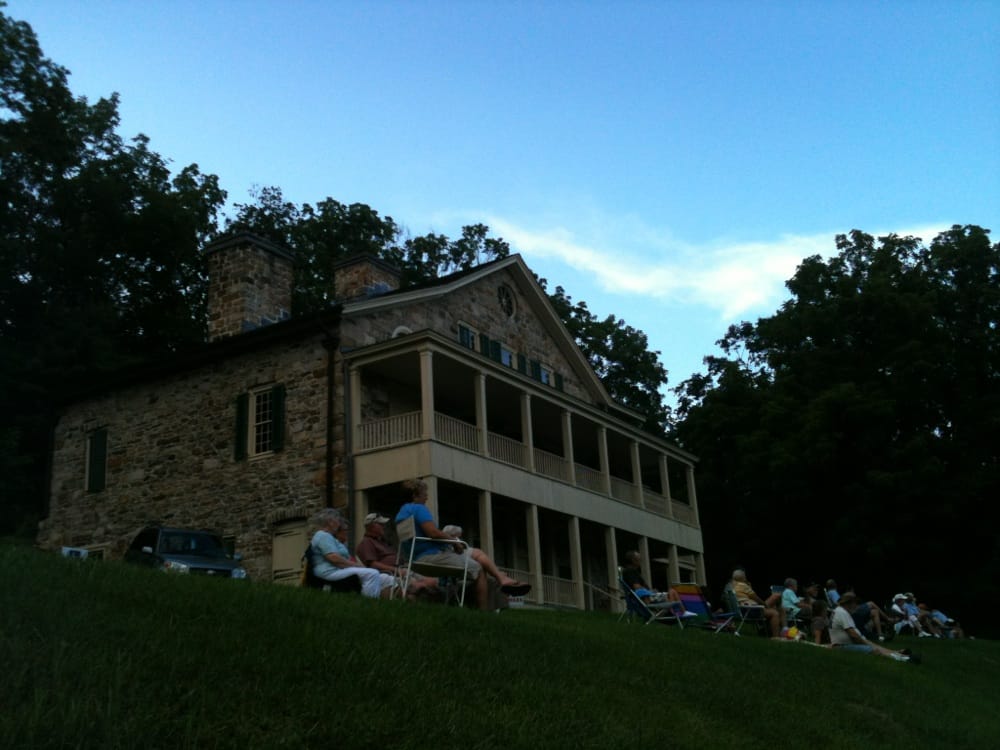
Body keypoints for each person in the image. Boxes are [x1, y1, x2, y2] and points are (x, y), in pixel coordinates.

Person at [395, 478, 531, 610]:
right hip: (430, 557)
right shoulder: (418, 508)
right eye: (424, 493)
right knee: (478, 569)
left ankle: (502, 578)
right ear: (415, 495)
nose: (427, 496)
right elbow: (433, 533)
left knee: (477, 553)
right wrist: (454, 542)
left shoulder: (402, 513)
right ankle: (484, 614)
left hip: (418, 558)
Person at [309, 508, 396, 599]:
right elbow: (333, 557)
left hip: (336, 570)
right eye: (337, 521)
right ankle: (368, 604)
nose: (339, 524)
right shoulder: (323, 535)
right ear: (330, 522)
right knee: (372, 574)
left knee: (384, 578)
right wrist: (355, 565)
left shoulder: (328, 537)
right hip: (329, 572)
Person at [355, 512, 438, 597]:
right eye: (381, 524)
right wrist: (396, 570)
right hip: (391, 574)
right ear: (372, 526)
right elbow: (373, 565)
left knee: (434, 581)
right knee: (422, 585)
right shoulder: (367, 542)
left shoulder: (382, 541)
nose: (384, 527)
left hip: (402, 570)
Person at [830, 592, 919, 664]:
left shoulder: (841, 611)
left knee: (875, 646)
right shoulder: (842, 613)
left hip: (845, 644)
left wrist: (867, 642)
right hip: (842, 646)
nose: (856, 606)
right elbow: (853, 635)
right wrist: (866, 643)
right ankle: (903, 659)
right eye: (855, 603)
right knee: (872, 649)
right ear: (849, 603)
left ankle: (897, 653)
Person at [621, 550, 697, 618]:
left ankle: (678, 613)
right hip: (646, 598)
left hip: (644, 598)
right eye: (639, 558)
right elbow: (637, 588)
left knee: (671, 592)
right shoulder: (631, 571)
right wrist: (650, 592)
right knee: (672, 591)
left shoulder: (629, 571)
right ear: (633, 560)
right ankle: (678, 614)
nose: (641, 560)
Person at [730, 568, 785, 637]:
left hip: (744, 609)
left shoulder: (732, 586)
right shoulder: (743, 586)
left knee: (776, 600)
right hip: (751, 610)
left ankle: (771, 630)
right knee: (775, 612)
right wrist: (765, 605)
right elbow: (756, 598)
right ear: (743, 577)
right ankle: (776, 636)